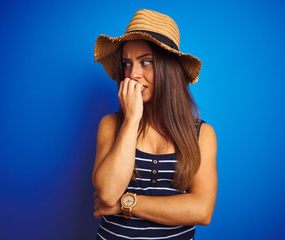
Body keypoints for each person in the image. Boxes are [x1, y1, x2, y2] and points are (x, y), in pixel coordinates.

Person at [92, 9, 217, 239]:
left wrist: (125, 204)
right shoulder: (111, 125)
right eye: (127, 63)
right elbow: (108, 195)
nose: (133, 74)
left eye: (146, 62)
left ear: (168, 69)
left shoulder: (202, 134)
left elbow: (202, 210)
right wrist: (131, 120)